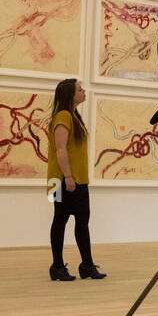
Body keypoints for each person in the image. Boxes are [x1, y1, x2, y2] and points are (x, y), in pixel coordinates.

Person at [46, 78, 105, 281]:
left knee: (81, 221)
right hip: (63, 179)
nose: (83, 91)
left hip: (76, 179)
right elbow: (60, 149)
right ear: (70, 94)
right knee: (60, 220)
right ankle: (57, 266)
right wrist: (68, 176)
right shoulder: (63, 116)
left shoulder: (73, 115)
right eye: (80, 89)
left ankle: (86, 265)